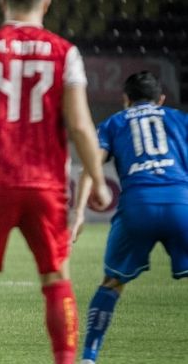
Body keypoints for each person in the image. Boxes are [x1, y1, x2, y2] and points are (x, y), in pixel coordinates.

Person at [0, 0, 112, 364]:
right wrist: (97, 178)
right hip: (46, 183)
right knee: (56, 278)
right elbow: (80, 126)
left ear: (1, 1)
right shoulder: (66, 53)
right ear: (47, 2)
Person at [71, 71, 188, 364]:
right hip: (181, 203)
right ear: (161, 99)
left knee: (112, 282)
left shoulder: (114, 122)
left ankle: (88, 357)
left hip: (137, 207)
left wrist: (79, 212)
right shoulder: (180, 119)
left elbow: (90, 166)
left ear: (126, 100)